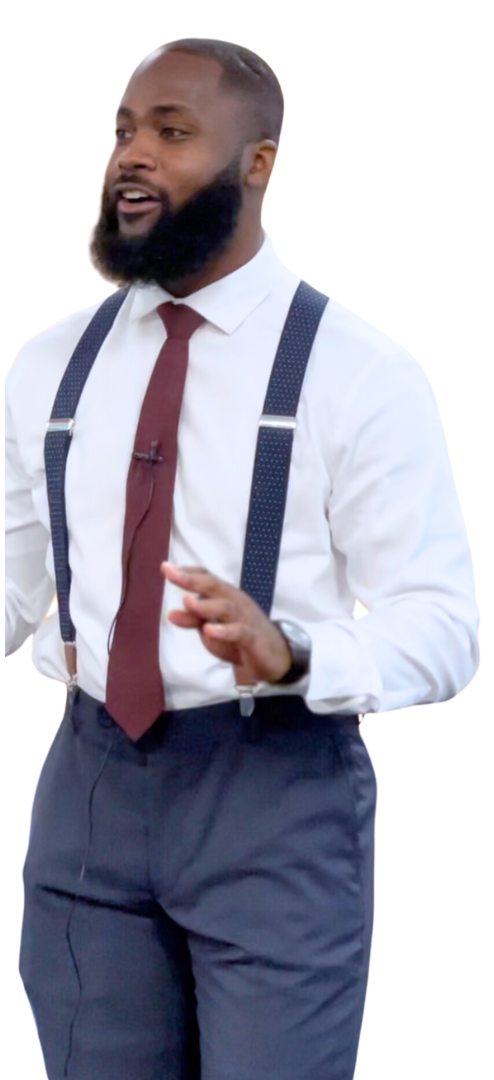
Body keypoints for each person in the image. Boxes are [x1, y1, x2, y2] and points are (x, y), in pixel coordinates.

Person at [9, 37, 479, 1080]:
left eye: (173, 133)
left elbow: (445, 625)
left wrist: (297, 653)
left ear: (257, 163)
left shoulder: (361, 372)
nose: (133, 157)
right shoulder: (48, 364)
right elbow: (11, 581)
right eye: (123, 133)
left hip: (274, 790)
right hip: (87, 782)